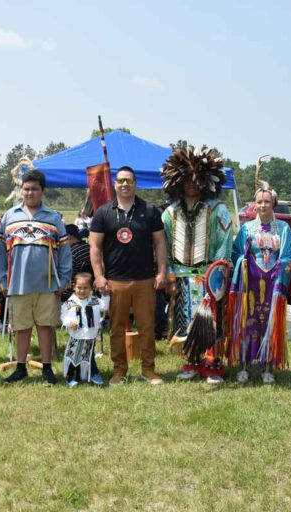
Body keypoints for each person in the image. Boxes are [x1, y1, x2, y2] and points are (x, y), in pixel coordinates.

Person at [160, 145, 232, 383]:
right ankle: (191, 360)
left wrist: (219, 274)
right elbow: (164, 246)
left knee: (211, 320)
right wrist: (170, 275)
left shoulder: (217, 210)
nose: (191, 184)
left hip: (208, 277)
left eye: (195, 179)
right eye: (186, 180)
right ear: (178, 183)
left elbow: (224, 242)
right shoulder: (169, 214)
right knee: (184, 319)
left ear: (204, 181)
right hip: (181, 277)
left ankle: (212, 362)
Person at [90, 166, 167, 385]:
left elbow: (160, 242)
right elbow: (94, 247)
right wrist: (98, 275)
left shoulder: (150, 210)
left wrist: (162, 271)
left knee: (147, 327)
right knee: (116, 328)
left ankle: (148, 369)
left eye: (129, 181)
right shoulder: (103, 212)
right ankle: (119, 370)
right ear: (115, 184)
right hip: (115, 280)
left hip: (145, 279)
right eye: (121, 180)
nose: (125, 184)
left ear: (135, 183)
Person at [0, 169, 71, 385]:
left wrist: (64, 279)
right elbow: (0, 251)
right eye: (26, 189)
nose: (29, 193)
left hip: (47, 283)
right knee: (21, 326)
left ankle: (47, 368)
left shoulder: (54, 217)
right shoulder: (10, 216)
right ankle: (21, 367)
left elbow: (65, 252)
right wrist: (2, 278)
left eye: (34, 189)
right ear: (21, 191)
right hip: (17, 283)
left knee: (45, 325)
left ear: (42, 191)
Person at [229, 186, 291, 384]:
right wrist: (243, 261)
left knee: (269, 321)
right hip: (250, 281)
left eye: (267, 201)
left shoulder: (283, 228)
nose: (263, 205)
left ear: (273, 203)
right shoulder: (247, 228)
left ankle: (267, 366)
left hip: (273, 282)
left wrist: (282, 265)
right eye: (259, 201)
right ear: (254, 204)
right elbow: (236, 253)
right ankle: (244, 365)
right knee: (247, 321)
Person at [60, 273, 108, 387]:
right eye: (79, 287)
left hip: (90, 336)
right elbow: (63, 316)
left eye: (85, 288)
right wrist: (69, 323)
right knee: (73, 358)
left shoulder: (94, 301)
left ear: (91, 288)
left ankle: (92, 374)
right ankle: (70, 376)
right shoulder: (70, 303)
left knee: (89, 357)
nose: (82, 291)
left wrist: (105, 294)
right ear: (74, 287)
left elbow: (105, 306)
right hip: (76, 336)